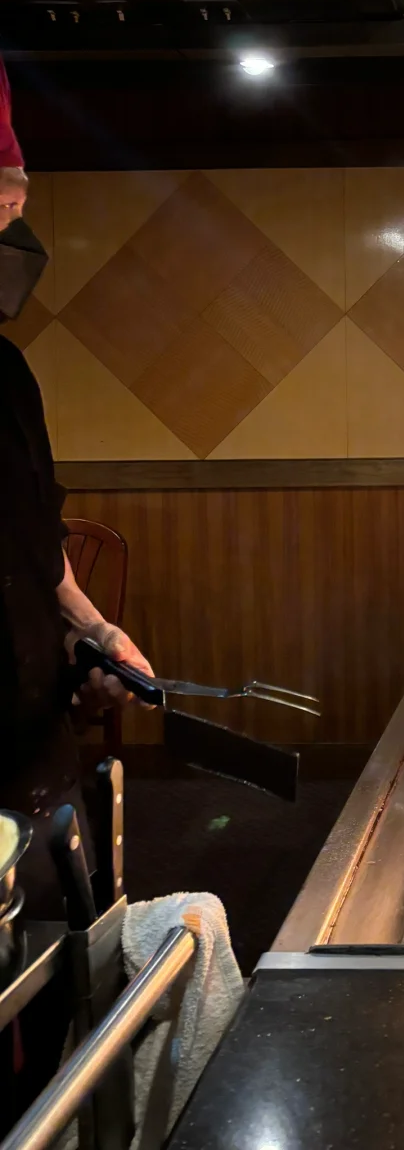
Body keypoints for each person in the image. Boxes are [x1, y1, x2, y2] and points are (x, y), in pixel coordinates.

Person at [0, 58, 154, 917]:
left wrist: (92, 631)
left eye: (18, 196)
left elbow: (35, 538)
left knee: (60, 964)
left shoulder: (8, 375)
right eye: (4, 196)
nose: (19, 215)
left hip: (30, 739)